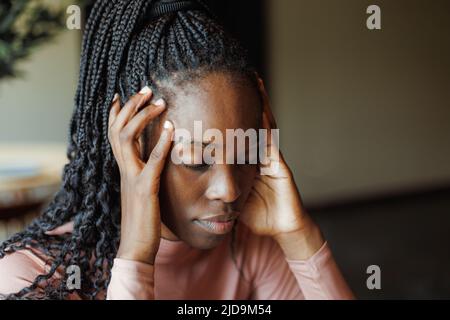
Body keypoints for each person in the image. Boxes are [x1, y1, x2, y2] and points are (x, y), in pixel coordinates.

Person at [0, 0, 354, 300]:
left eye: (245, 152)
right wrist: (136, 258)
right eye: (197, 160)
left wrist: (300, 236)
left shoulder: (247, 248)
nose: (229, 190)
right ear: (132, 145)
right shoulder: (32, 276)